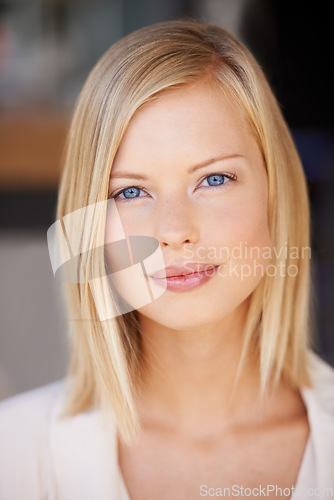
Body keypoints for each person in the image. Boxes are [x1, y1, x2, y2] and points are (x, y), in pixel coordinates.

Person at [0, 19, 333, 500]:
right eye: (131, 191)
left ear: (273, 193)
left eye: (214, 179)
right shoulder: (12, 455)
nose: (174, 231)